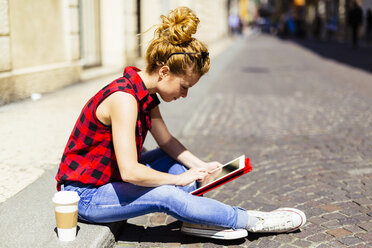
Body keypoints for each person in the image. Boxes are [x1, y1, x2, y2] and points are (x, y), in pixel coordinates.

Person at [55, 6, 306, 240]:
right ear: (164, 72)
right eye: (184, 86)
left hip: (111, 179)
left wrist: (202, 167)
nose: (184, 95)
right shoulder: (124, 99)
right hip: (85, 195)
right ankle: (250, 220)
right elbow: (131, 171)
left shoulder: (143, 93)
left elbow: (167, 141)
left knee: (175, 159)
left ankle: (194, 218)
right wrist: (179, 179)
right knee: (168, 193)